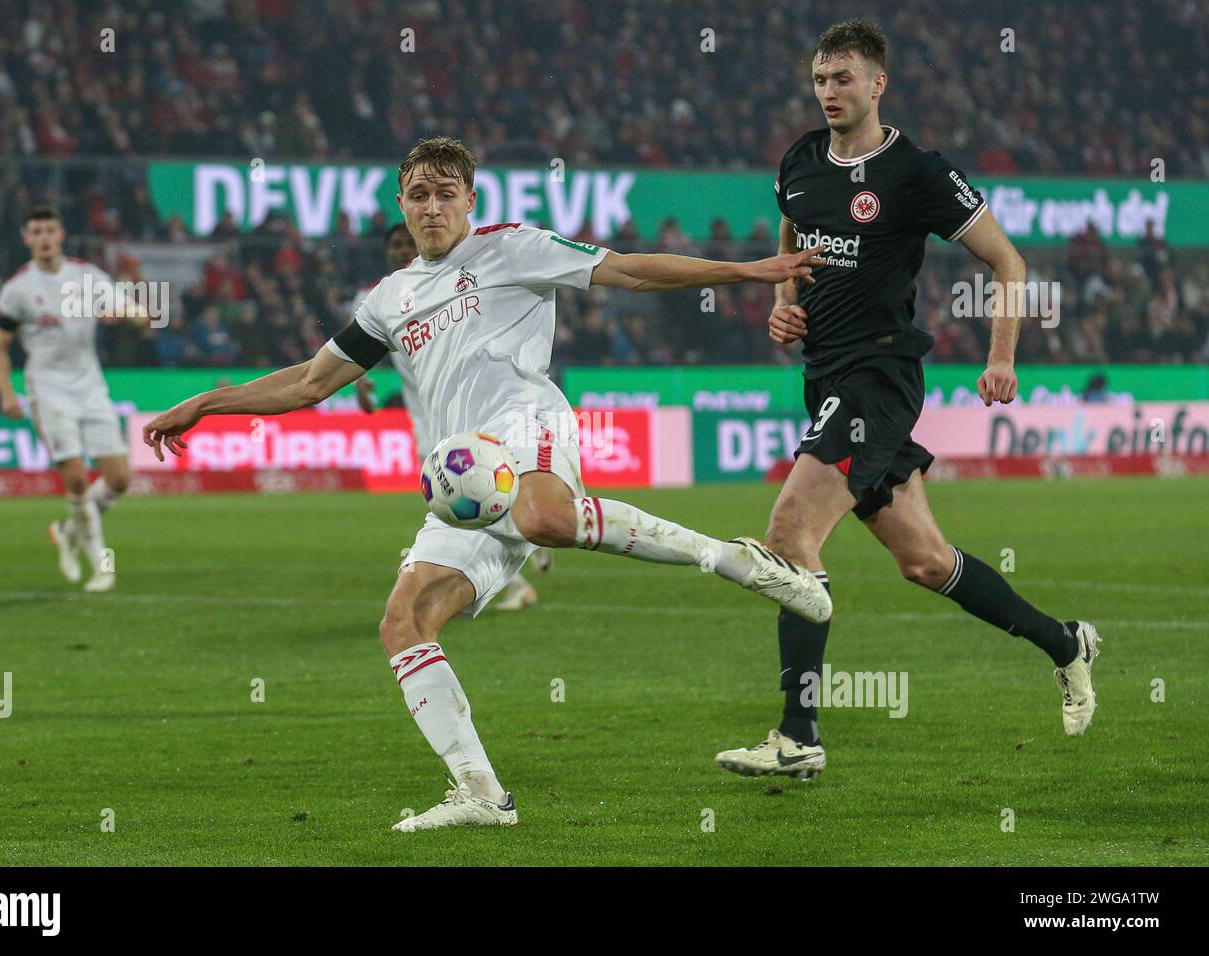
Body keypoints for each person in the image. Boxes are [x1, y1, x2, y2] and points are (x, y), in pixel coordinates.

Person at [142, 136, 831, 831]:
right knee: (403, 621)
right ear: (403, 206)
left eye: (447, 193)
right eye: (419, 194)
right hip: (463, 476)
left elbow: (631, 272)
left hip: (527, 423)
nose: (433, 206)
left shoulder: (512, 248)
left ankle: (736, 560)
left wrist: (749, 269)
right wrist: (208, 402)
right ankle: (479, 792)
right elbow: (311, 381)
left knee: (545, 520)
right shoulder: (391, 298)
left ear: (471, 201)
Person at [714, 20, 1102, 781]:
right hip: (826, 375)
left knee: (790, 532)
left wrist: (1000, 358)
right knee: (926, 563)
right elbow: (793, 246)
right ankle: (1067, 643)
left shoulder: (918, 172)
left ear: (877, 85)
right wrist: (783, 301)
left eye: (844, 79)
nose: (830, 92)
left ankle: (798, 736)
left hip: (880, 375)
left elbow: (1008, 261)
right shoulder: (797, 161)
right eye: (821, 79)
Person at [354, 222, 551, 610]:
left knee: (458, 494)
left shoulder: (451, 283)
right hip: (423, 415)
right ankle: (530, 534)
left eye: (404, 243)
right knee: (458, 494)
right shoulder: (380, 297)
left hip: (463, 409)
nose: (398, 251)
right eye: (392, 245)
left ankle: (510, 578)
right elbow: (363, 347)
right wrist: (362, 381)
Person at [0, 206, 136, 592]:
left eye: (49, 230)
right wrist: (7, 391)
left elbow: (125, 305)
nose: (44, 237)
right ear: (26, 238)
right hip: (48, 389)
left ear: (61, 234)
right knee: (75, 478)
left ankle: (69, 530)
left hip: (91, 386)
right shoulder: (18, 289)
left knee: (119, 479)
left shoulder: (87, 275)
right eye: (36, 231)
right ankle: (101, 567)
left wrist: (128, 313)